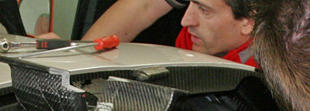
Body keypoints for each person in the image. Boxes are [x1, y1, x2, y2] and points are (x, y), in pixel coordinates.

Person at [81, 0, 256, 65]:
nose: (185, 21)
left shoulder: (272, 64)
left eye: (204, 9)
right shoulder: (191, 39)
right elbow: (145, 5)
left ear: (248, 23)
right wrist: (76, 60)